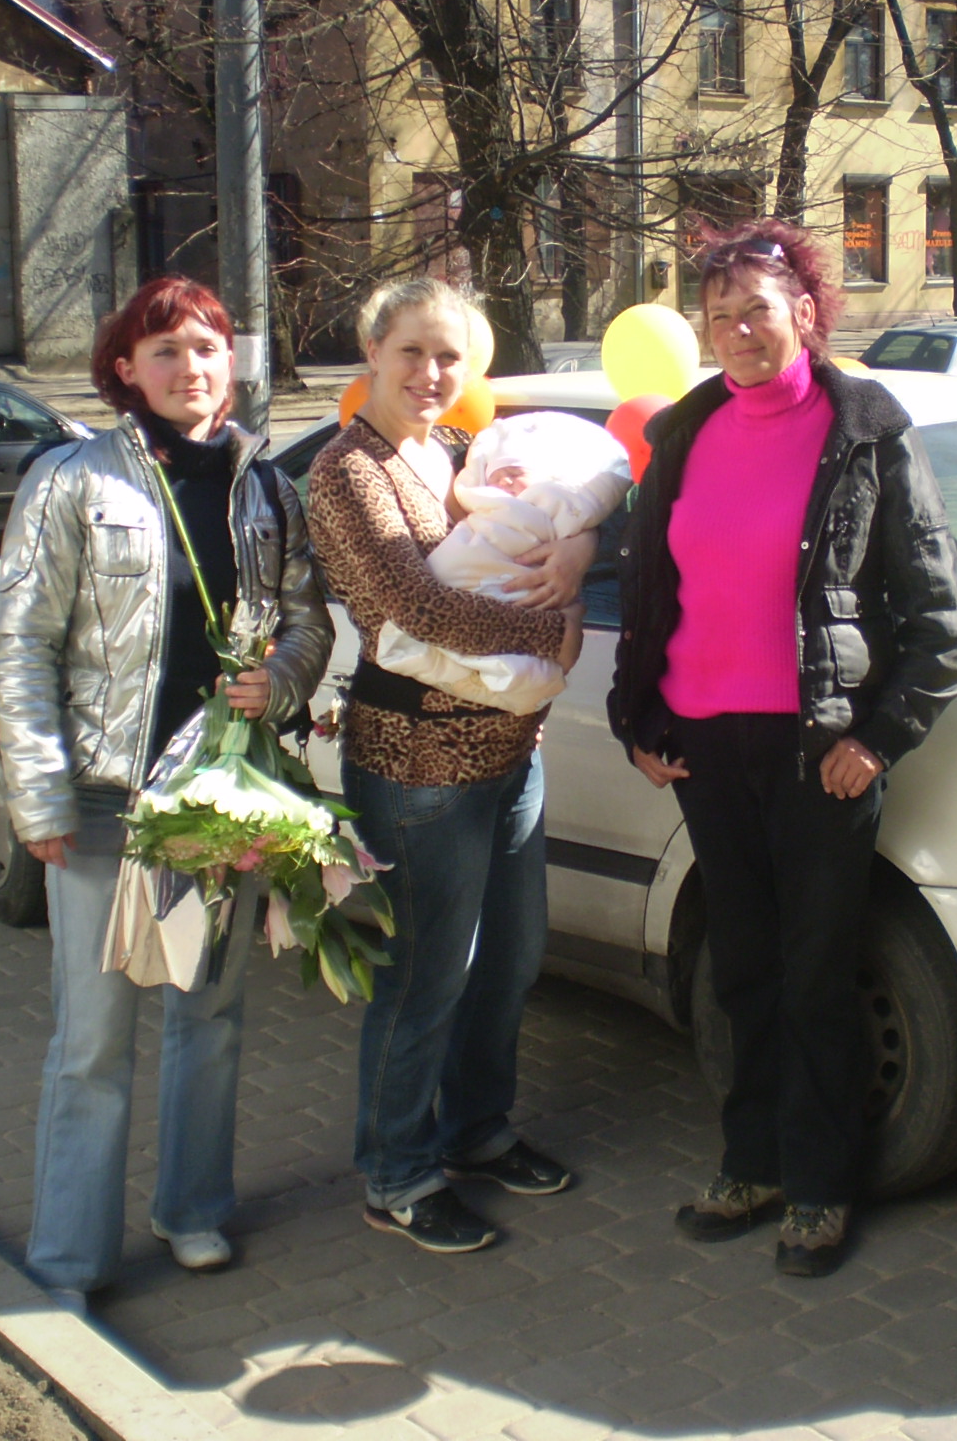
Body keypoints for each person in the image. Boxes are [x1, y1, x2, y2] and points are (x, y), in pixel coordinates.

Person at [607, 220, 957, 1278]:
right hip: (706, 746)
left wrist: (879, 740)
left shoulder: (865, 431)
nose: (737, 330)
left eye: (756, 310)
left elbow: (936, 620)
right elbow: (649, 590)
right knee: (743, 969)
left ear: (803, 313)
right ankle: (751, 1164)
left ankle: (818, 1185)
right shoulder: (684, 432)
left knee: (814, 975)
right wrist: (639, 718)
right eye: (718, 315)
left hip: (818, 751)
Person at [0, 275, 332, 1310]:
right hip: (105, 802)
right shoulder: (72, 480)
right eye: (167, 350)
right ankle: (69, 1259)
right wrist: (39, 799)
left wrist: (280, 679)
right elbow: (22, 646)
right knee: (93, 1043)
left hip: (218, 797)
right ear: (125, 369)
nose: (191, 368)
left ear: (233, 362)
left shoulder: (265, 488)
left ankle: (191, 1210)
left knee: (209, 1016)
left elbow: (308, 620)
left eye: (208, 348)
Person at [307, 279, 591, 1254]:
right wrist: (553, 633)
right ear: (373, 353)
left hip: (510, 751)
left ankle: (477, 1130)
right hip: (416, 762)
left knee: (509, 959)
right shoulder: (349, 472)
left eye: (450, 357)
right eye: (413, 352)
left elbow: (555, 520)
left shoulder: (463, 452)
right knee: (428, 975)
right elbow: (416, 610)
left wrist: (578, 554)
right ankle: (397, 1170)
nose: (432, 373)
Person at [374, 410, 631, 714]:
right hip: (427, 715)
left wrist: (585, 540)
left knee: (522, 677)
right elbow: (418, 610)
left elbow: (586, 510)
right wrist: (561, 631)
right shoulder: (369, 469)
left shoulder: (453, 447)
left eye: (516, 472)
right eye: (496, 476)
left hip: (500, 726)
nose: (505, 481)